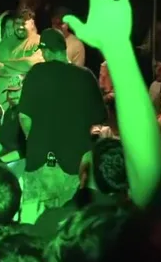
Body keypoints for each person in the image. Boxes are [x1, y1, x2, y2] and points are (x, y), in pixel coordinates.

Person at [16, 28, 107, 210]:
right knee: (68, 219)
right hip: (74, 165)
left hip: (40, 161)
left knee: (34, 218)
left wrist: (33, 139)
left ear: (47, 51)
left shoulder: (36, 73)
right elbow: (99, 120)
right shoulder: (86, 76)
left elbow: (24, 117)